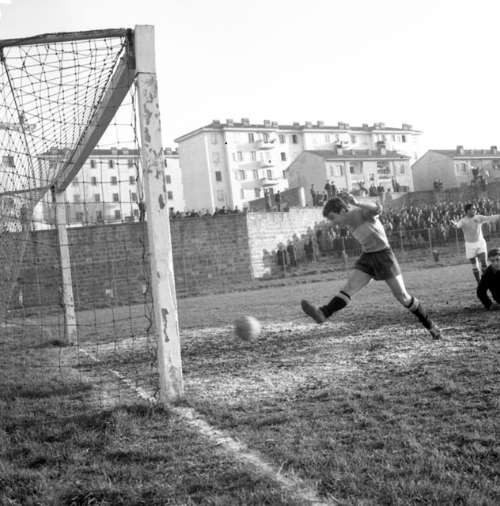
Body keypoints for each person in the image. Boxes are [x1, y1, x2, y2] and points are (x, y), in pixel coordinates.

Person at [301, 196, 442, 339]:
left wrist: (357, 203)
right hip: (368, 256)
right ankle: (323, 313)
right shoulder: (348, 222)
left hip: (384, 256)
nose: (333, 222)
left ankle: (431, 326)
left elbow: (378, 208)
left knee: (403, 297)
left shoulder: (359, 213)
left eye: (332, 217)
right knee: (349, 288)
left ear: (342, 211)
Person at [451, 203, 500, 283]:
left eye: (475, 209)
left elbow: (490, 218)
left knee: (484, 263)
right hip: (469, 245)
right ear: (467, 211)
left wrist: (498, 216)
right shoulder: (463, 220)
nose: (475, 210)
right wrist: (455, 225)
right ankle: (479, 282)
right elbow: (458, 225)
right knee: (474, 265)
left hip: (480, 243)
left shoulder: (479, 217)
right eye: (472, 209)